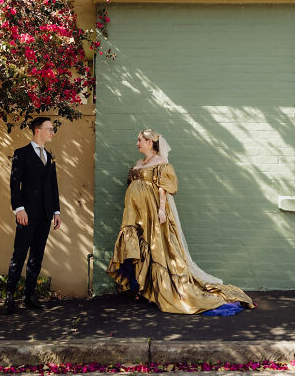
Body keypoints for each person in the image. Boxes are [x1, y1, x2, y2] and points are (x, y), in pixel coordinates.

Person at [107, 129, 255, 316]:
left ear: (150, 142)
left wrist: (161, 210)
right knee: (139, 245)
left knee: (157, 248)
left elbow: (164, 189)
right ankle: (144, 288)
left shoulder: (161, 163)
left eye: (139, 140)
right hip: (135, 214)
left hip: (152, 212)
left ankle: (161, 290)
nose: (137, 143)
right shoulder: (139, 163)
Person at [3, 117, 61, 314]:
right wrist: (19, 208)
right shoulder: (22, 154)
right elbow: (14, 184)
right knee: (19, 254)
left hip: (45, 215)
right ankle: (9, 296)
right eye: (49, 129)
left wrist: (56, 211)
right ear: (38, 130)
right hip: (26, 214)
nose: (52, 132)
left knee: (37, 256)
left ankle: (30, 295)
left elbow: (53, 186)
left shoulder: (50, 156)